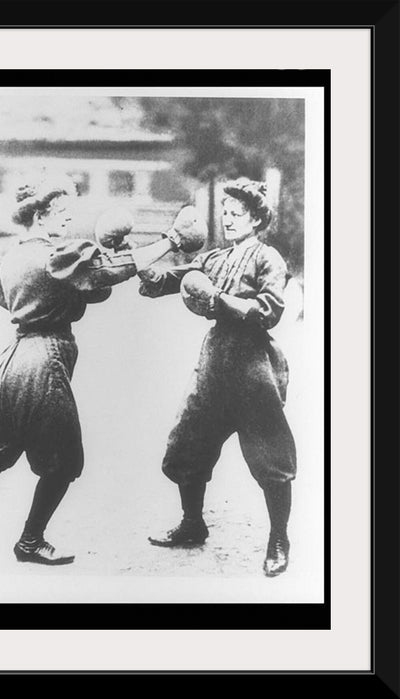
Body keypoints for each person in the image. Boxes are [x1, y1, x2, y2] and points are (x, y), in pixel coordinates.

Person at [0, 174, 206, 566]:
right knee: (65, 462)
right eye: (62, 213)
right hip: (43, 362)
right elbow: (106, 274)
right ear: (42, 214)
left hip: (8, 363)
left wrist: (103, 257)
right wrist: (169, 240)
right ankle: (30, 542)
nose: (68, 220)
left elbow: (79, 289)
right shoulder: (55, 256)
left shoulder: (12, 257)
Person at [138, 178, 297, 577]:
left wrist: (219, 300)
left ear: (257, 218)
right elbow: (168, 282)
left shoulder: (268, 259)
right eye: (225, 213)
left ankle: (279, 538)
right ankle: (192, 524)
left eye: (236, 213)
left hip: (251, 366)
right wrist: (138, 261)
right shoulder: (214, 259)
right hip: (214, 362)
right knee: (186, 445)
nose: (227, 220)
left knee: (271, 458)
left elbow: (270, 309)